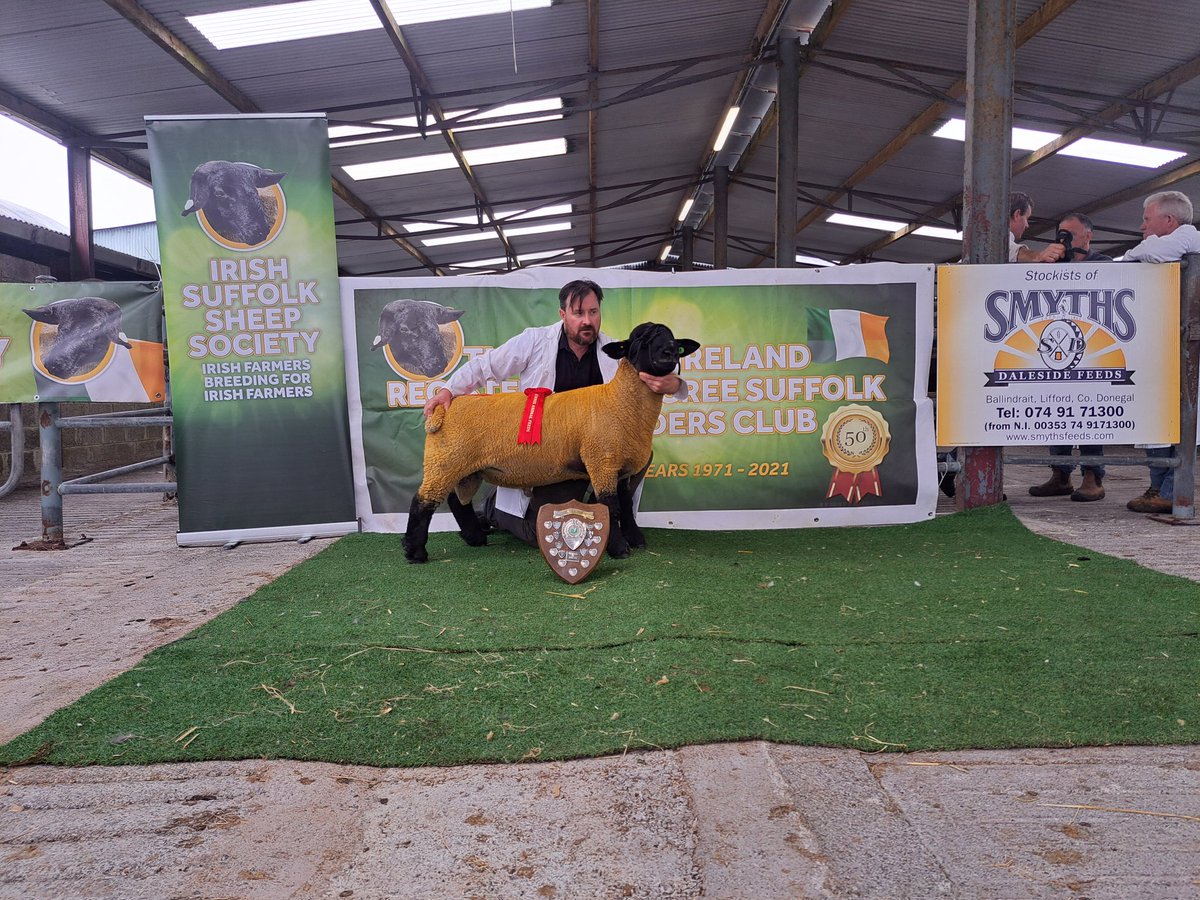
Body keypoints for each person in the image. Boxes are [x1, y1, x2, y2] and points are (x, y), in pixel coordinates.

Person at [422, 278, 688, 544]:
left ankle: (607, 519)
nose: (587, 320)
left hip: (590, 453)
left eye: (593, 312)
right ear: (563, 315)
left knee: (639, 451)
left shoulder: (613, 352)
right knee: (546, 535)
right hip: (546, 451)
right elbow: (486, 366)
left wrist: (674, 382)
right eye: (578, 313)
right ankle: (496, 511)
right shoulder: (534, 341)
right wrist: (448, 389)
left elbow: (653, 366)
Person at [1122, 191, 1200, 514]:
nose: (1142, 227)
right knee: (1156, 418)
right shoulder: (1176, 245)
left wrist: (1132, 256)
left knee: (1183, 417)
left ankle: (1170, 489)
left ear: (1169, 221)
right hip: (1163, 344)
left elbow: (1152, 250)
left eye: (1147, 219)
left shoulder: (1189, 237)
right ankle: (1159, 487)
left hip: (1187, 347)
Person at [1028, 213, 1113, 502]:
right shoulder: (1052, 264)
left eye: (1071, 234)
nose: (1064, 239)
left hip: (1091, 350)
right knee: (1056, 410)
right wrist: (1045, 262)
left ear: (1088, 235)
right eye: (1061, 234)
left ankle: (1093, 477)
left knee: (1090, 412)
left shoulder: (1102, 264)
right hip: (1056, 346)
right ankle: (1060, 474)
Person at [1008, 191, 1066, 263]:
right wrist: (1038, 256)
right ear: (1017, 214)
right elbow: (1006, 249)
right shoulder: (997, 240)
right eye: (1027, 218)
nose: (1027, 225)